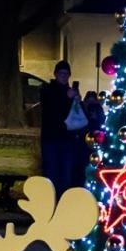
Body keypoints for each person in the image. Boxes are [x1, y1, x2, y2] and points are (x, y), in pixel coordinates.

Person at [38, 59, 80, 189]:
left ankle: (62, 204)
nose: (64, 76)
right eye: (61, 73)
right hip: (51, 139)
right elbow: (52, 111)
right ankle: (51, 204)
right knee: (51, 175)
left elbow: (77, 114)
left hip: (67, 139)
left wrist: (77, 100)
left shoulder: (70, 92)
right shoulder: (48, 90)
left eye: (66, 73)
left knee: (65, 176)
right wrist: (66, 98)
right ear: (55, 74)